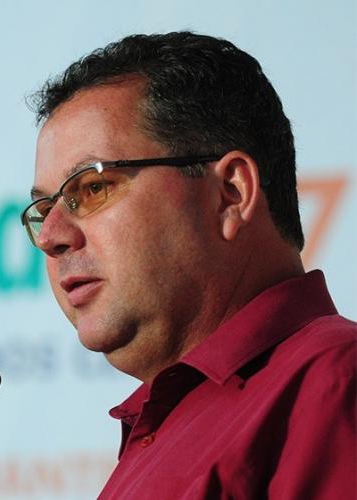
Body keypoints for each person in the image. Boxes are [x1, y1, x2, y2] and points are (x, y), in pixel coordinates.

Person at [21, 32, 356, 499]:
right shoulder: (164, 425)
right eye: (43, 209)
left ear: (230, 194)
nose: (49, 237)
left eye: (93, 187)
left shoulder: (335, 383)